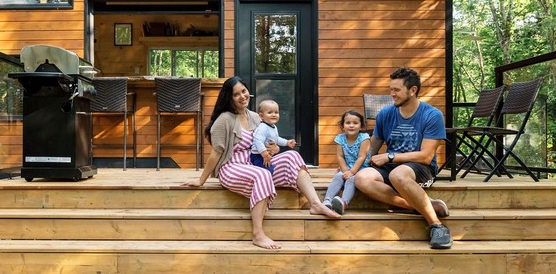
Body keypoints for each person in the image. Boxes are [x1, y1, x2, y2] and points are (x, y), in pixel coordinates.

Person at [181, 76, 341, 250]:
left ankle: (316, 204)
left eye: (244, 91)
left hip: (255, 163)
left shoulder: (256, 117)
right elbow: (216, 153)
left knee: (292, 156)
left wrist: (274, 149)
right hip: (232, 167)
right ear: (229, 98)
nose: (242, 96)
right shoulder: (224, 120)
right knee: (263, 174)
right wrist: (201, 180)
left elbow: (271, 144)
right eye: (236, 94)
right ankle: (258, 234)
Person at [354, 66, 453, 249]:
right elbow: (373, 146)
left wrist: (390, 156)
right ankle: (421, 205)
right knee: (362, 178)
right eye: (391, 89)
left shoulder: (432, 115)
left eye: (396, 90)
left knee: (398, 175)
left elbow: (425, 156)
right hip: (392, 165)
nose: (392, 94)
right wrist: (354, 166)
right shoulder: (385, 114)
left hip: (420, 168)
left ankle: (436, 224)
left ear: (413, 90)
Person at [322, 109, 370, 215]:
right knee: (338, 176)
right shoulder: (340, 138)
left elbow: (362, 157)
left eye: (355, 123)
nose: (351, 125)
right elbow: (340, 156)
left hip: (362, 168)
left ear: (361, 126)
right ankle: (327, 200)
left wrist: (351, 172)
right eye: (348, 123)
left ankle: (343, 203)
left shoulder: (364, 138)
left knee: (351, 179)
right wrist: (345, 171)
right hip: (347, 167)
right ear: (343, 126)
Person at [251, 99, 296, 173]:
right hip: (258, 156)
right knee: (268, 170)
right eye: (269, 112)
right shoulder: (263, 127)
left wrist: (287, 142)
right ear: (261, 116)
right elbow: (257, 141)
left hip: (268, 155)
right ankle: (264, 180)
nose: (274, 115)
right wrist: (265, 154)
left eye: (276, 112)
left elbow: (276, 139)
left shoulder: (273, 127)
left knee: (275, 168)